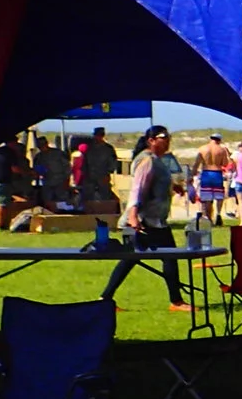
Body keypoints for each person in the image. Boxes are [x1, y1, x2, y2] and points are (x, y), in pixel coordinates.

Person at [105, 125, 190, 310]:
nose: (167, 141)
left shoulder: (156, 160)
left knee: (131, 259)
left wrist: (173, 187)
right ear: (151, 140)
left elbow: (154, 184)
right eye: (162, 138)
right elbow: (137, 189)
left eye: (168, 137)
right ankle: (176, 301)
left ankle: (105, 299)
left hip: (153, 220)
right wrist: (133, 216)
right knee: (168, 257)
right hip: (145, 221)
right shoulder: (147, 160)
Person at [77, 126, 120, 213]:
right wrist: (84, 175)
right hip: (89, 179)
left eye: (99, 135)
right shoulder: (89, 148)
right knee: (88, 199)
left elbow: (113, 164)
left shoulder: (108, 149)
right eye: (96, 135)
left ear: (103, 136)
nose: (97, 137)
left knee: (105, 198)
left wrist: (108, 173)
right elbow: (84, 163)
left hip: (103, 178)